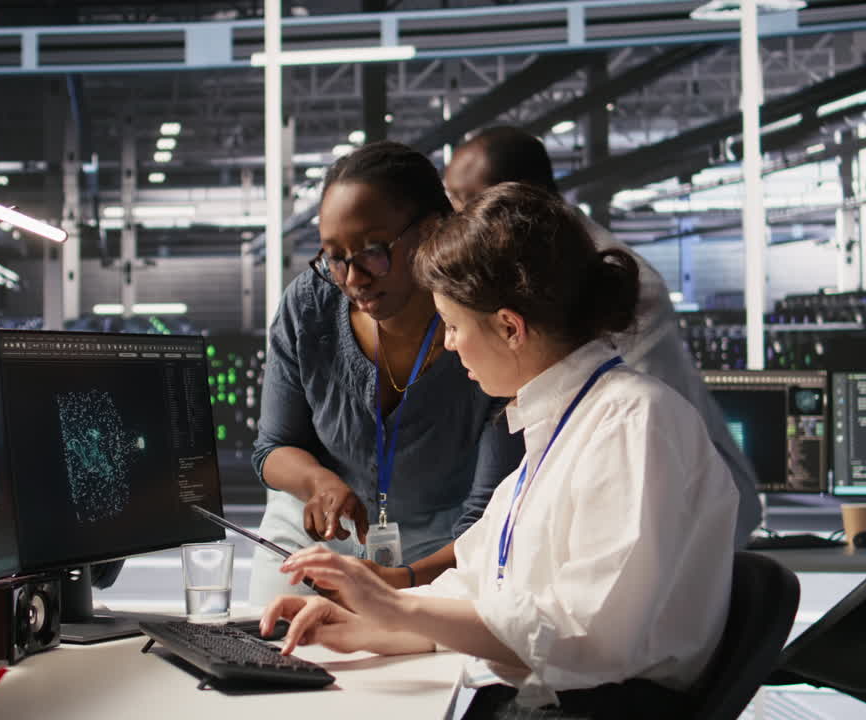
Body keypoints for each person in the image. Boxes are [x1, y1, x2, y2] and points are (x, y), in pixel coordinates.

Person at [261, 182, 739, 719]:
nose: (448, 343)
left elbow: (589, 636)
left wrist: (395, 606)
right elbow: (483, 594)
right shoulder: (557, 428)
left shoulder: (632, 423)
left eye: (454, 325)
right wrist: (366, 627)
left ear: (510, 327)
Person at [366, 126, 761, 591]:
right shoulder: (549, 413)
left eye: (462, 200)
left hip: (675, 512)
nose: (452, 215)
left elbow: (589, 623)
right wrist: (396, 601)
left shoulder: (627, 418)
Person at [247, 141, 524, 604]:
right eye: (335, 257)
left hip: (446, 552)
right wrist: (319, 482)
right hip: (315, 541)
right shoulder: (308, 308)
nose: (353, 278)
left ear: (432, 231)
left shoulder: (482, 329)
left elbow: (486, 516)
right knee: (274, 652)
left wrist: (403, 584)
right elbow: (273, 447)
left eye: (372, 252)